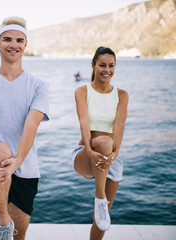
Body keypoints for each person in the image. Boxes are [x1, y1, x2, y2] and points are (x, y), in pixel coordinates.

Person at [0, 16, 49, 240]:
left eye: (18, 40)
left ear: (25, 45)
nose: (13, 44)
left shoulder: (39, 86)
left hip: (23, 165)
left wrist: (16, 162)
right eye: (7, 39)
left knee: (20, 232)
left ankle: (9, 227)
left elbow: (31, 125)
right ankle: (3, 222)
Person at [72, 46, 128, 240]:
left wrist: (116, 152)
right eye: (102, 65)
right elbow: (84, 122)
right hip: (86, 154)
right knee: (104, 141)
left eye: (111, 66)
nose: (107, 70)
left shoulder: (122, 95)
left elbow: (119, 124)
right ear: (93, 65)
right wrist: (88, 149)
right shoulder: (82, 91)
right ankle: (99, 197)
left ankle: (101, 207)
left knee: (102, 219)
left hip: (111, 158)